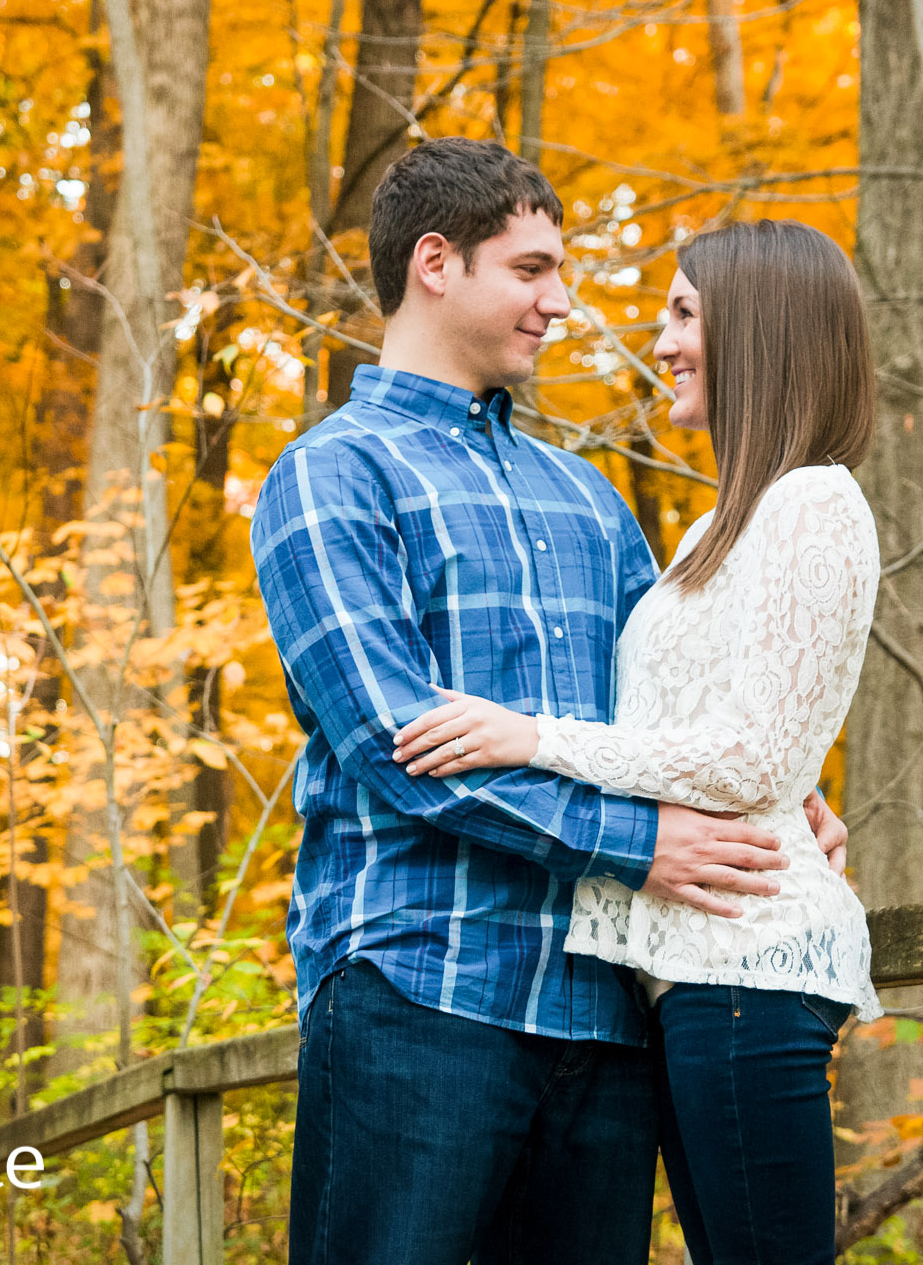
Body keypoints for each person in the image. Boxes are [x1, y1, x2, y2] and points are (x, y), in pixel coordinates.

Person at [249, 140, 848, 1265]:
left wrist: (781, 800)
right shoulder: (332, 473)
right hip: (420, 987)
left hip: (602, 1014)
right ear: (437, 262)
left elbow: (664, 710)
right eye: (530, 270)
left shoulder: (586, 497)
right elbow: (394, 744)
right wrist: (642, 844)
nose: (558, 303)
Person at [394, 219, 882, 1264]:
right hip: (684, 975)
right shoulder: (717, 526)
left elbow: (750, 756)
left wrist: (529, 737)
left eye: (683, 314)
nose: (659, 342)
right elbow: (723, 726)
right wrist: (792, 783)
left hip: (747, 960)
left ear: (759, 330)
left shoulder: (812, 500)